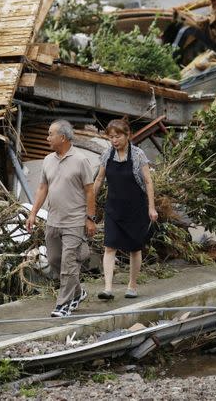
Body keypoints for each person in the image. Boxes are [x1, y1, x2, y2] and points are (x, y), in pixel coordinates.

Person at [25, 120, 96, 318]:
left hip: (74, 221)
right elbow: (42, 188)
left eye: (50, 134)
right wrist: (32, 213)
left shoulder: (81, 160)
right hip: (53, 220)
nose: (47, 138)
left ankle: (63, 305)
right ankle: (78, 292)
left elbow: (90, 191)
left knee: (68, 263)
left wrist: (90, 218)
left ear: (62, 137)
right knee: (55, 259)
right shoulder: (47, 160)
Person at [92, 119, 158, 300]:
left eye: (118, 136)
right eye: (111, 137)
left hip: (136, 208)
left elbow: (147, 182)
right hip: (113, 208)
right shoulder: (107, 155)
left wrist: (151, 208)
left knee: (135, 248)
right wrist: (90, 202)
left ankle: (132, 285)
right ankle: (107, 288)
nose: (114, 140)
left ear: (127, 135)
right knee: (109, 246)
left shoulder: (138, 155)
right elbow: (98, 180)